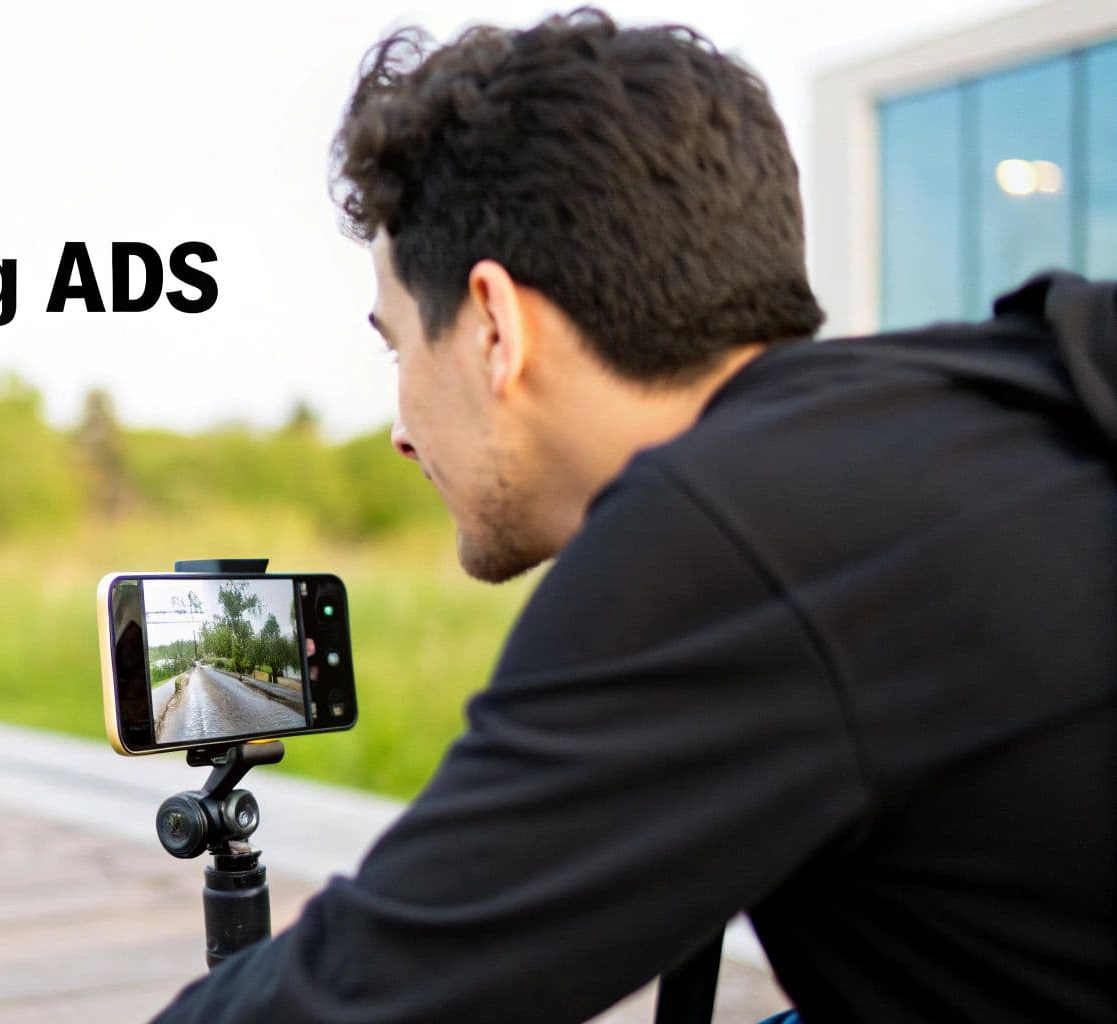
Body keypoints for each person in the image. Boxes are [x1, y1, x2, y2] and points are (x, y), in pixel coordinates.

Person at [152, 8, 1115, 1022]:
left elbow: (365, 989)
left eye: (398, 346)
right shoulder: (984, 402)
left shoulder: (729, 538)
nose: (400, 429)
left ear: (493, 326)